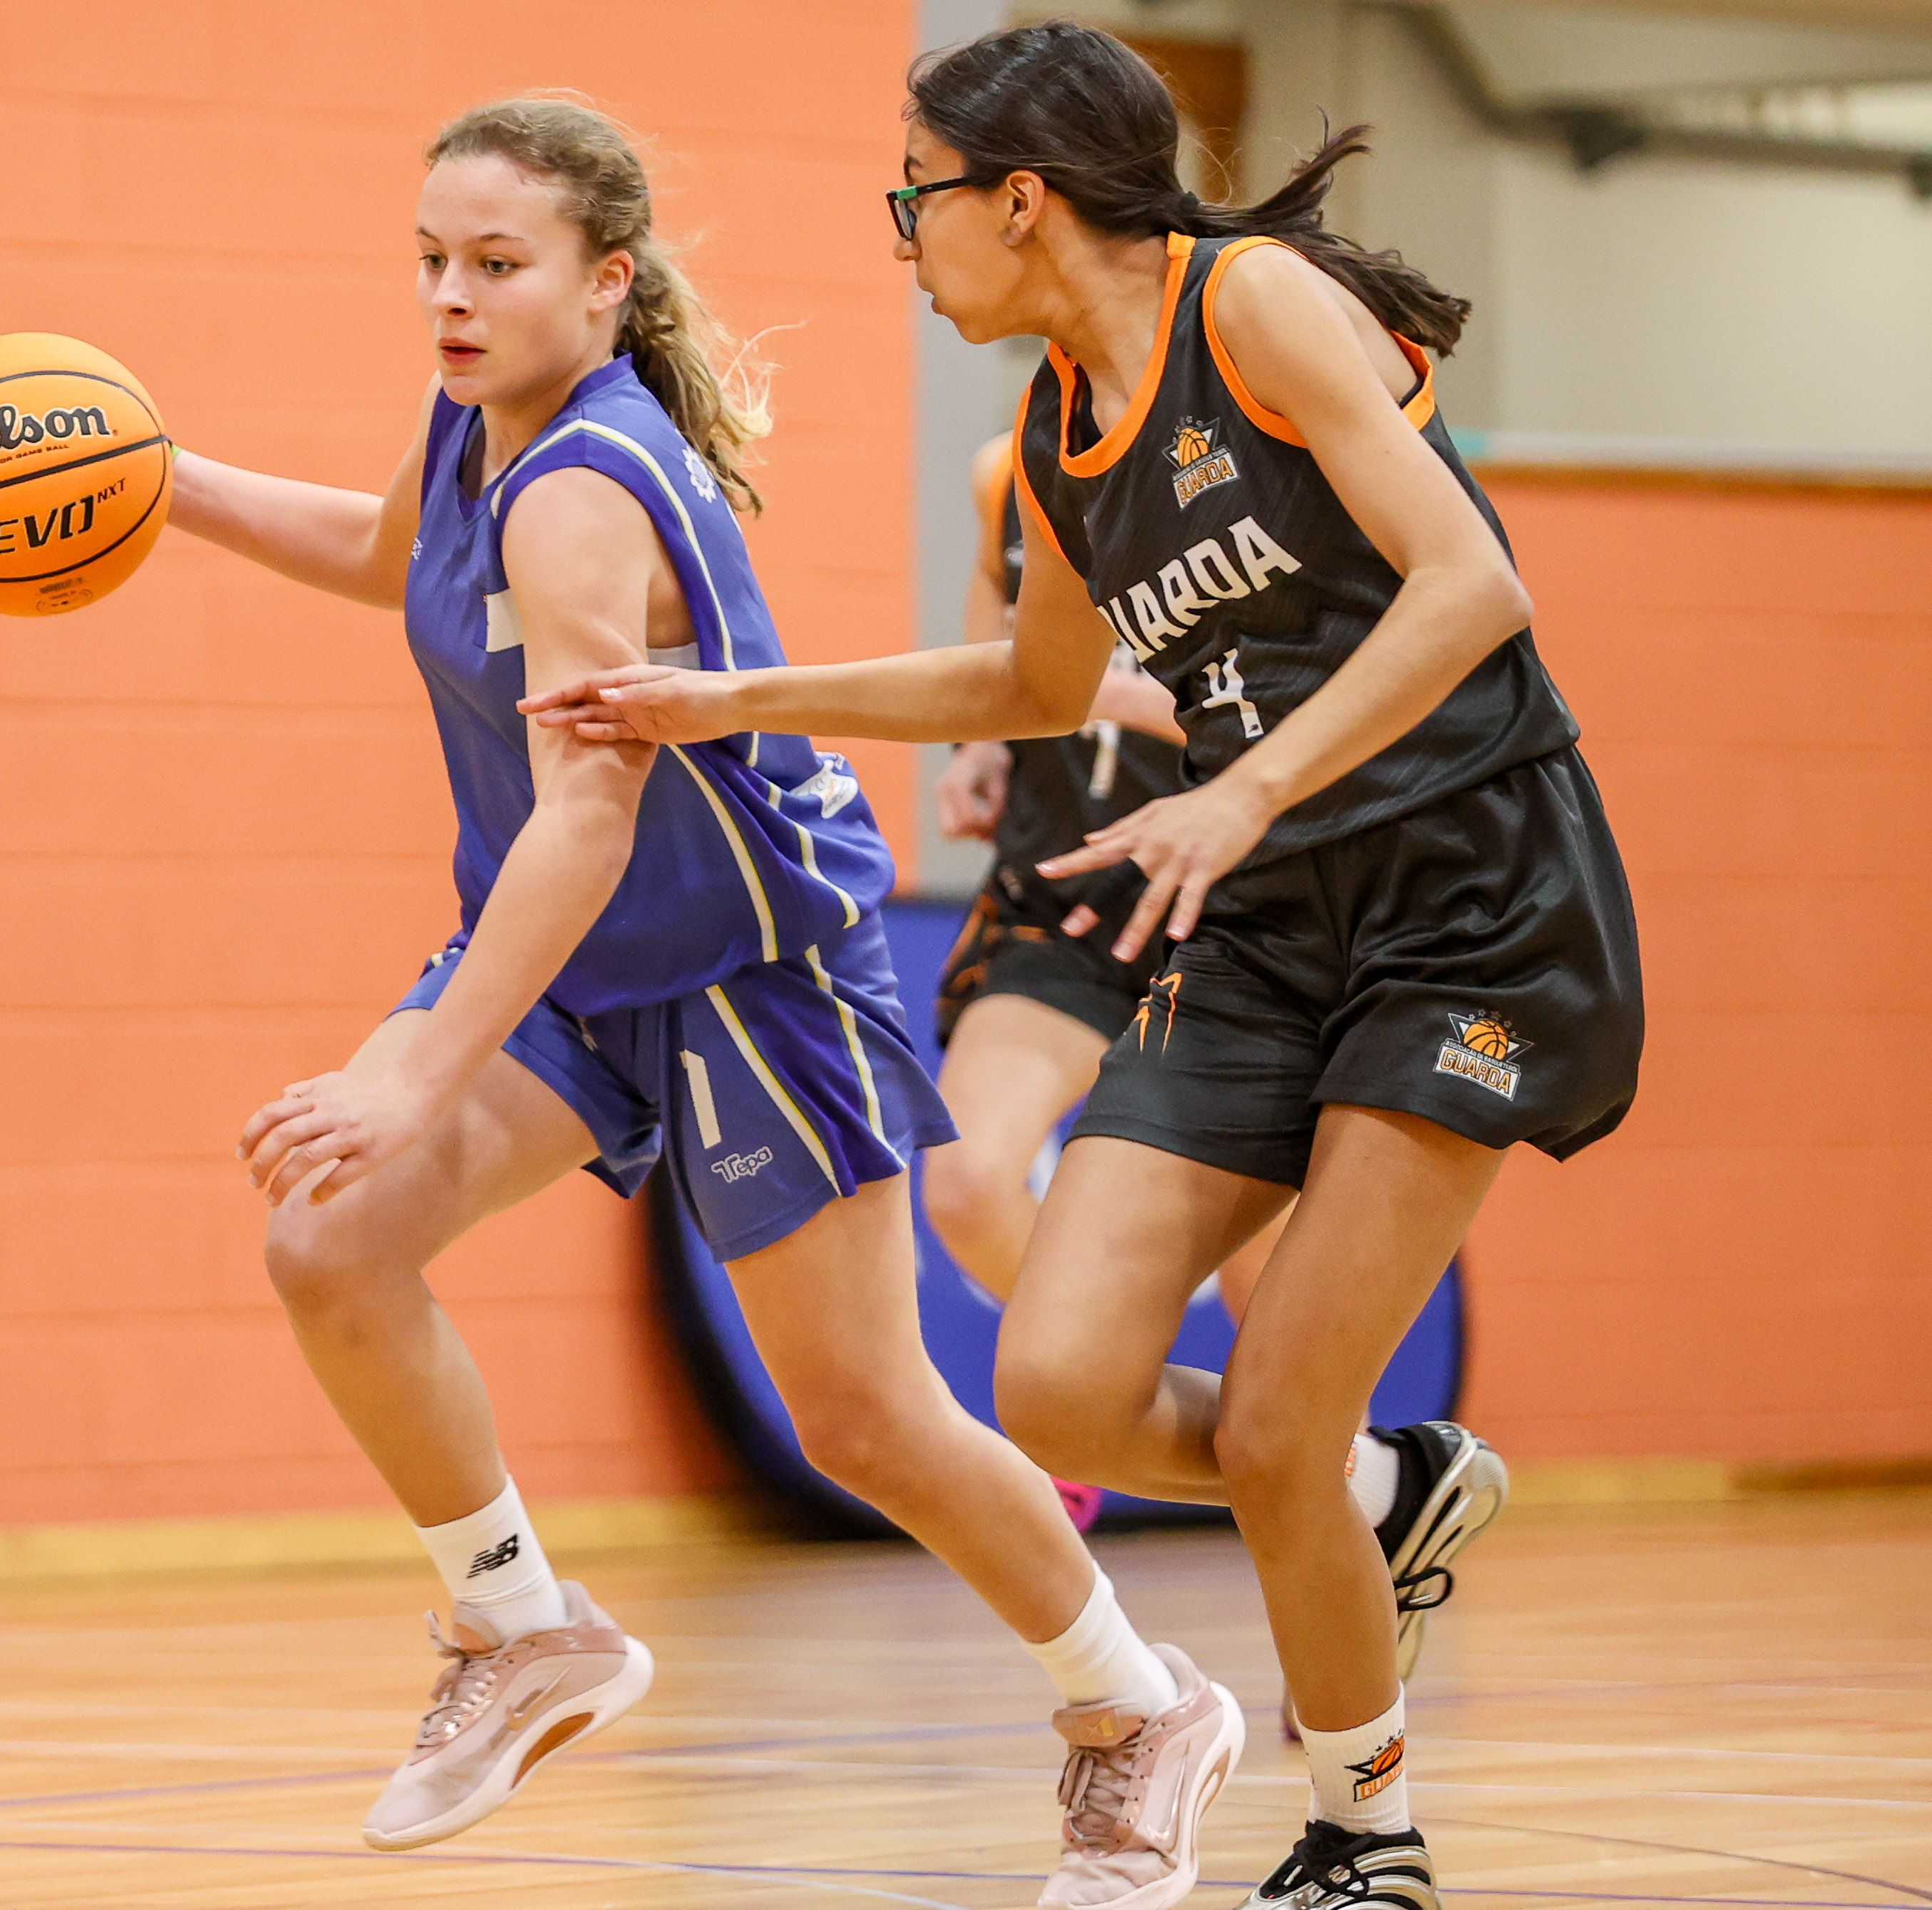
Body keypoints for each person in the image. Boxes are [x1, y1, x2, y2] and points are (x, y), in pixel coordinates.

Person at [526, 26, 1643, 1909]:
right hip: (1270, 926)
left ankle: (1362, 1827)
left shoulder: (1253, 304)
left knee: (1274, 1417)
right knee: (1054, 1379)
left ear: (1021, 199)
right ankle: (1386, 1490)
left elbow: (1474, 584)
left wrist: (1250, 783)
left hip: (1470, 899)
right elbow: (1034, 685)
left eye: (915, 196)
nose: (901, 236)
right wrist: (735, 695)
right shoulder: (1055, 427)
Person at [171, 95, 1246, 1905]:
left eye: (495, 263)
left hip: (750, 968)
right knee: (332, 1238)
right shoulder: (473, 425)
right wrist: (165, 482)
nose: (450, 296)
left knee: (867, 1418)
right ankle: (522, 1622)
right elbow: (384, 553)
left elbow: (587, 818)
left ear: (605, 283)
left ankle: (1139, 1703)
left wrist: (417, 1071)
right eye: (430, 260)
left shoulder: (583, 488)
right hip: (582, 958)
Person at [920, 432, 1284, 1364]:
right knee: (967, 1181)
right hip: (1066, 898)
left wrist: (1095, 693)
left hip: (1236, 909)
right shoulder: (1007, 468)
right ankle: (1113, 1389)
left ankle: (1321, 1443)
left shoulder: (1257, 470)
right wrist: (982, 742)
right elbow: (995, 592)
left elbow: (1309, 709)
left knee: (1266, 1259)